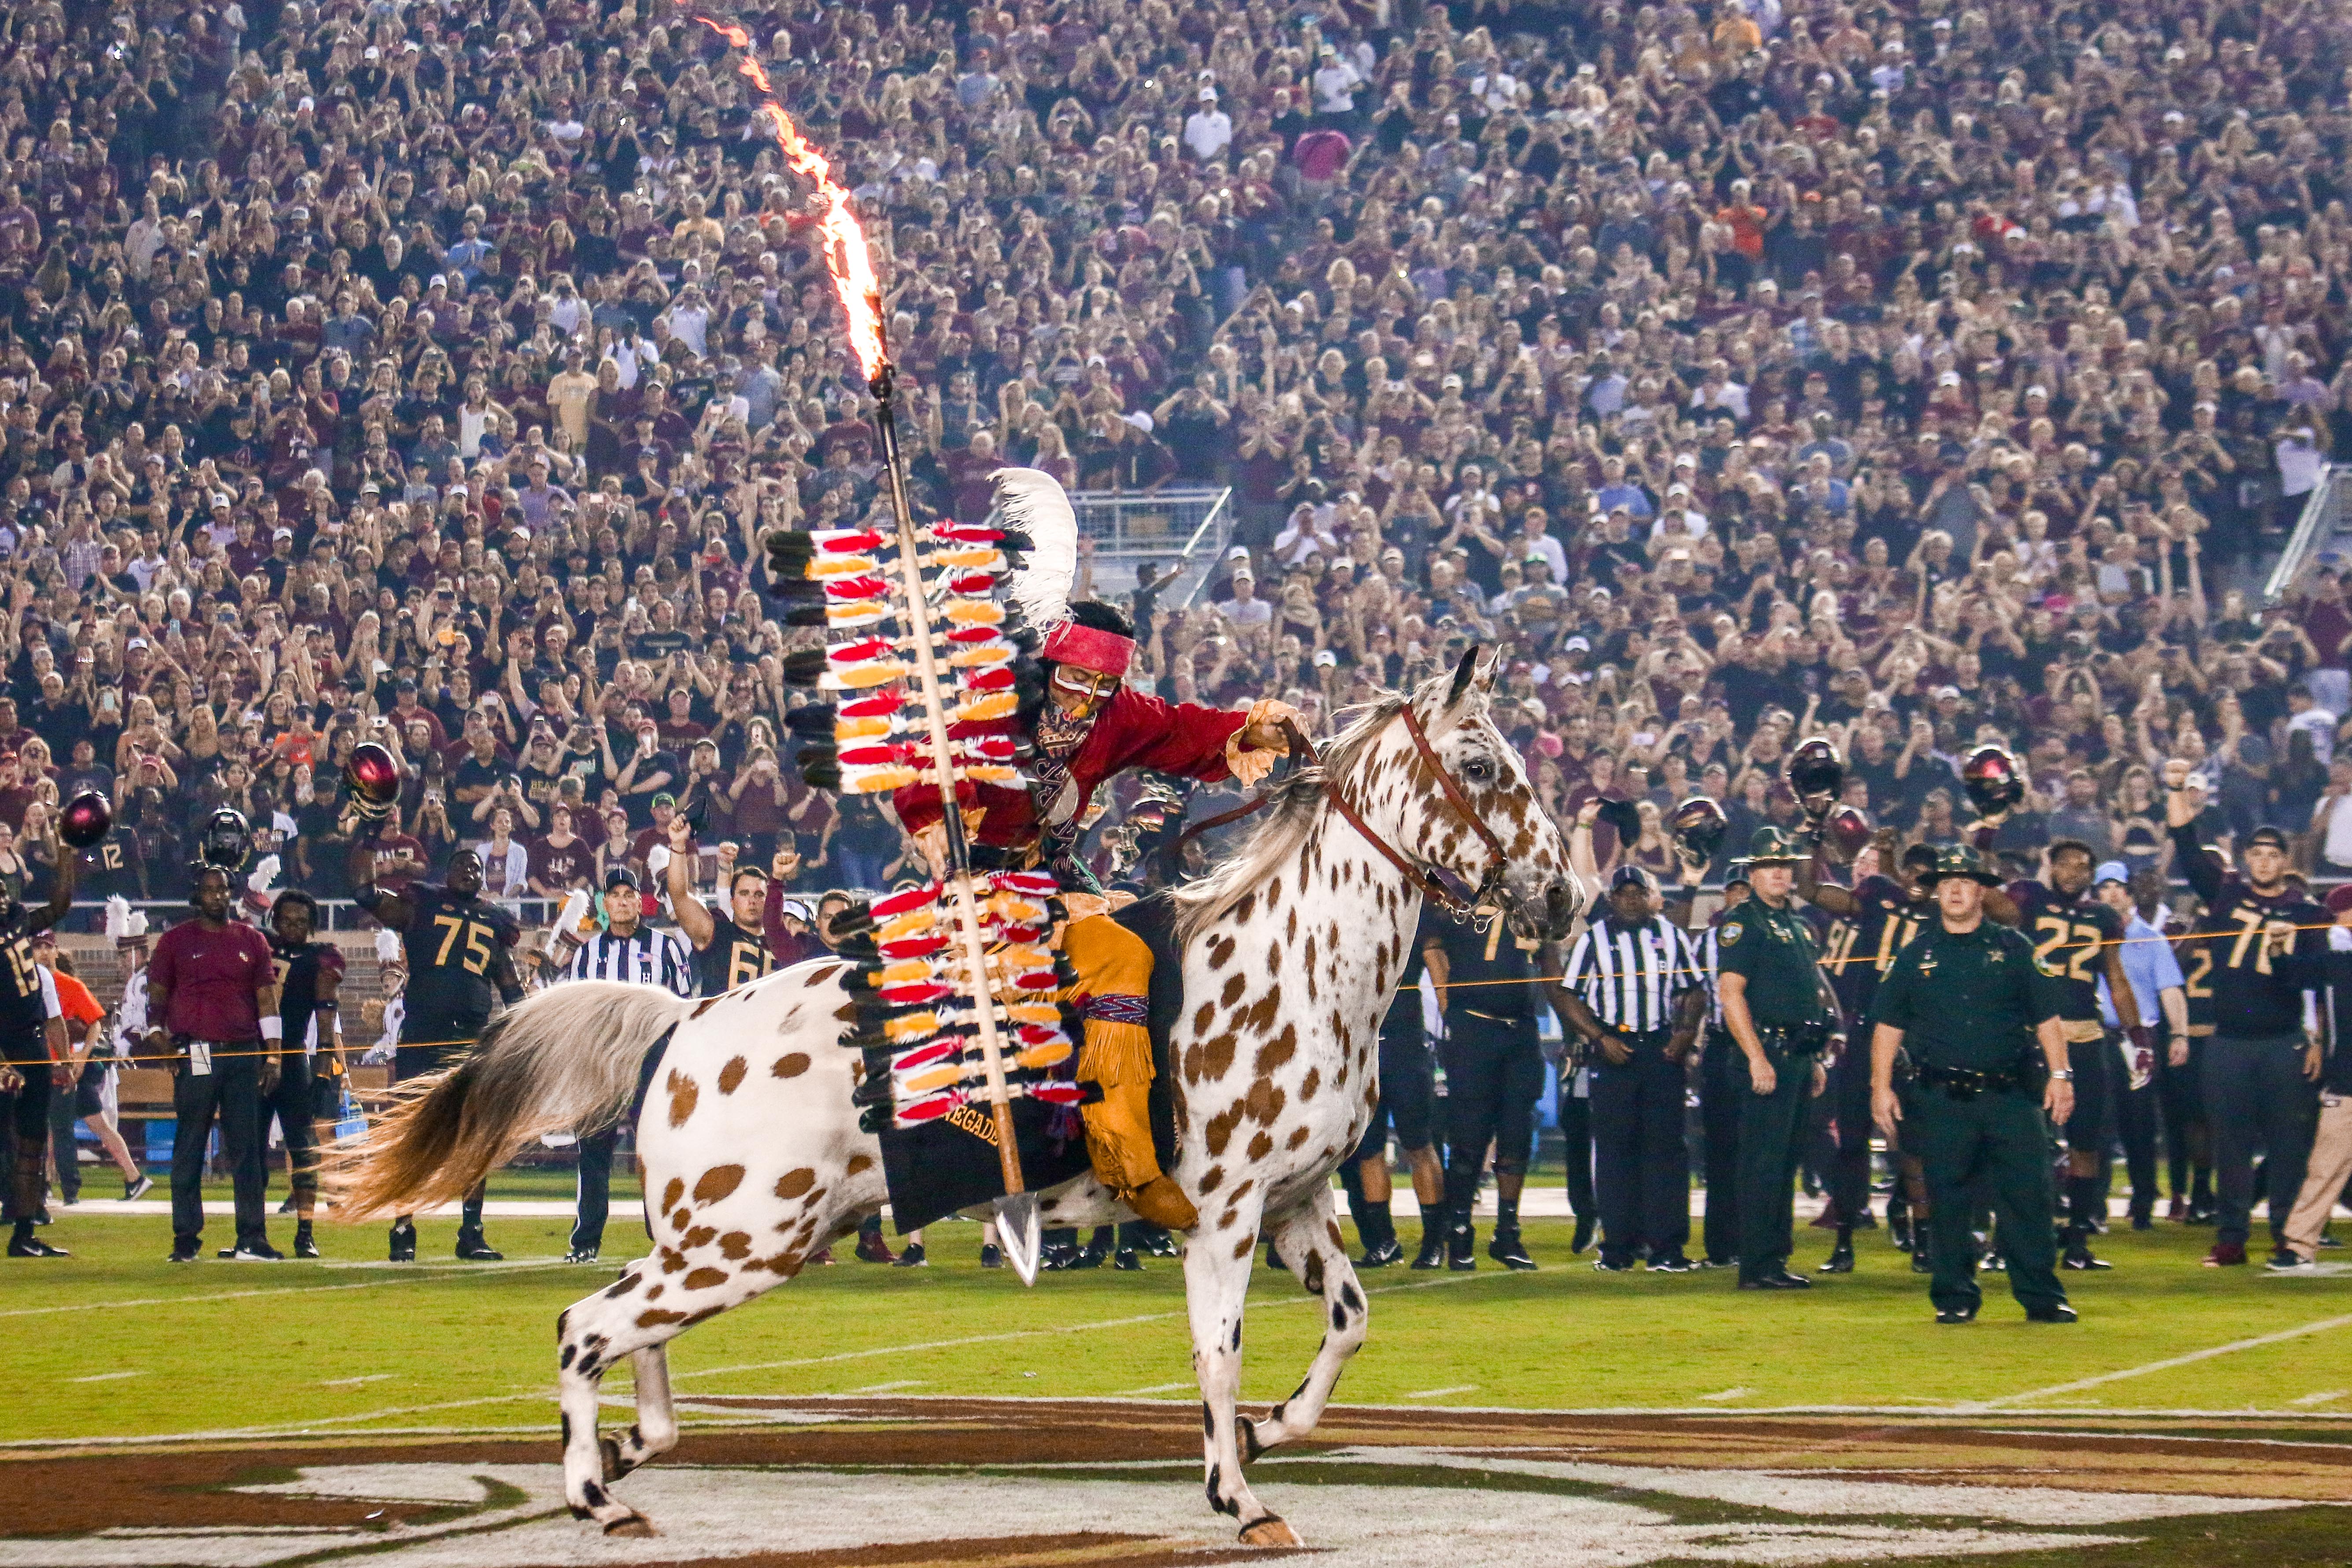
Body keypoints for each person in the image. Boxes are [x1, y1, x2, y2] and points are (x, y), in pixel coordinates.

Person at [888, 586, 1294, 1232]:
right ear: (1047, 664)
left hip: (1056, 880)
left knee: (1132, 954)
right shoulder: (992, 704)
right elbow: (922, 760)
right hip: (974, 882)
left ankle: (1130, 1161)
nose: (1087, 697)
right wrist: (931, 819)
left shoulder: (1116, 715)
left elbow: (1181, 726)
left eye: (1103, 685)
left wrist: (1249, 728)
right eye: (1077, 678)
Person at [1868, 845, 2077, 1325]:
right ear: (1938, 890)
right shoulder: (1916, 953)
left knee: (2029, 1195)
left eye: (1966, 881)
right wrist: (1881, 1087)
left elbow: (2048, 1016)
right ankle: (1955, 1294)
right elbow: (1887, 1024)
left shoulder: (2014, 947)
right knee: (1948, 1199)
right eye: (1948, 881)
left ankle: (2041, 1294)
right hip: (1943, 1097)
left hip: (2011, 1093)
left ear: (1981, 890)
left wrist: (2061, 1075)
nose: (1957, 889)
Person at [2164, 763, 2328, 1268]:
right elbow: (2188, 850)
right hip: (2229, 1040)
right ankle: (2231, 1234)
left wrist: (2318, 1038)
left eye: (2272, 853)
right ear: (2246, 859)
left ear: (2285, 860)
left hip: (2282, 1040)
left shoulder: (2306, 912)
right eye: (2255, 853)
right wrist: (2174, 790)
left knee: (2287, 1144)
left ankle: (2286, 1231)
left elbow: (2316, 982)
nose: (2263, 860)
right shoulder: (2228, 893)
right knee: (2229, 1143)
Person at [355, 841, 524, 1263]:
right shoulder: (421, 905)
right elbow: (363, 892)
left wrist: (525, 1027)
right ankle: (403, 1227)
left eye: (477, 867)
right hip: (423, 1033)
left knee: (477, 1135)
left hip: (471, 1038)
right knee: (411, 1131)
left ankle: (472, 1231)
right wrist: (368, 838)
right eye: (462, 865)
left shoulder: (492, 921)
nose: (470, 871)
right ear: (446, 874)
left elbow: (510, 985)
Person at [1798, 830, 1956, 1271]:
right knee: (1852, 1141)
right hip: (1867, 1031)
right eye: (1914, 872)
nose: (1919, 882)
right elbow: (1812, 891)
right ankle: (1845, 1239)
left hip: (1917, 1037)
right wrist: (1815, 834)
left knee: (1915, 1144)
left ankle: (1922, 1238)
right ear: (1903, 872)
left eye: (1929, 876)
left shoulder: (1943, 915)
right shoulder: (1879, 895)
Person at [1997, 839, 2148, 1271]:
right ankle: (2011, 1238)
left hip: (2085, 1037)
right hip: (2033, 1040)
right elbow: (1992, 904)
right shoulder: (2028, 899)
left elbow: (2116, 978)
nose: (2073, 872)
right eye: (2064, 863)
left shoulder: (2103, 916)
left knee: (2087, 1142)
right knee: (2021, 1142)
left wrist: (2138, 1035)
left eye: (2082, 866)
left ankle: (2078, 1240)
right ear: (2050, 865)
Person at [1556, 864, 1704, 1272]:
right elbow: (1568, 996)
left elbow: (1693, 988)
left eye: (1640, 892)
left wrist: (1686, 1031)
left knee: (1667, 1151)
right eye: (1624, 893)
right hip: (1614, 1049)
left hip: (1659, 1048)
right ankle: (1617, 1247)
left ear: (1650, 896)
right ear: (1612, 898)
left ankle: (1667, 1247)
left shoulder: (1670, 936)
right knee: (1615, 1152)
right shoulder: (1594, 940)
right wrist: (1598, 1038)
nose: (1633, 899)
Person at [1424, 832, 1558, 1272]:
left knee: (1516, 1135)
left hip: (1520, 1033)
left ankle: (1507, 1231)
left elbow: (1550, 959)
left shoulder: (1534, 906)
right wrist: (1450, 1006)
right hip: (1474, 1031)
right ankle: (1460, 1230)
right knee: (1469, 1135)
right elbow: (1432, 947)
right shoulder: (1458, 902)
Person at [1716, 827, 1843, 1291]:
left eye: (1784, 866)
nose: (1778, 873)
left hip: (1795, 1054)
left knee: (1786, 1159)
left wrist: (1811, 1059)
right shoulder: (1743, 922)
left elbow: (1805, 995)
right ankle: (1757, 1263)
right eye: (1769, 865)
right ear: (1753, 873)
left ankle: (1776, 1255)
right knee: (1763, 1162)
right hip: (1766, 1053)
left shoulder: (1797, 925)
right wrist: (1756, 1057)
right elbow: (1731, 995)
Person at [547, 866, 693, 1264]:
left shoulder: (667, 947)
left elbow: (682, 1009)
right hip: (601, 1062)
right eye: (616, 895)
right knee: (593, 1152)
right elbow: (575, 1013)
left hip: (651, 1059)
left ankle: (663, 1238)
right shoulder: (588, 953)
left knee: (658, 1151)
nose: (624, 901)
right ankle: (585, 1241)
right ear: (605, 904)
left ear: (640, 901)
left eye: (630, 894)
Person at [145, 864, 283, 1263]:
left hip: (242, 1050)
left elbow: (266, 1000)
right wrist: (158, 1038)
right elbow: (157, 999)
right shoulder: (175, 941)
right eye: (209, 890)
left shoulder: (252, 940)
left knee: (247, 1146)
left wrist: (273, 1053)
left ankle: (252, 1237)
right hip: (199, 1049)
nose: (218, 896)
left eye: (223, 889)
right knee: (191, 1141)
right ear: (197, 895)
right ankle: (186, 1237)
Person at [1339, 905, 1443, 1269]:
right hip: (1365, 1048)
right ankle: (1384, 1242)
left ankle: (1433, 1243)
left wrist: (1453, 1031)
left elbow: (1440, 976)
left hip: (1405, 1046)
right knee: (1368, 1150)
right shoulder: (1349, 926)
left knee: (1419, 1144)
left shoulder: (1414, 919)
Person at [2093, 863, 2189, 1232]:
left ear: (2129, 892)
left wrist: (2179, 1034)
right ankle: (2093, 1205)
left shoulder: (2150, 938)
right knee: (2097, 1124)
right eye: (2105, 888)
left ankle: (2144, 1201)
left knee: (2140, 1125)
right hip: (2097, 1036)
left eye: (2118, 886)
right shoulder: (2088, 935)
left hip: (2139, 1041)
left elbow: (2169, 989)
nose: (2112, 894)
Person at [0, 836, 74, 1255]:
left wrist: (66, 852)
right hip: (4, 1044)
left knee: (31, 1140)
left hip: (29, 1042)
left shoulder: (16, 920)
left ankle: (24, 1232)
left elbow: (60, 906)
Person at [1675, 857, 1750, 1270]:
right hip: (1722, 1047)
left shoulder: (1773, 936)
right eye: (1734, 891)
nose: (1740, 897)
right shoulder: (1709, 941)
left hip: (1763, 1043)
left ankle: (1758, 1243)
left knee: (1759, 1149)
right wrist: (1690, 1040)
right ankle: (1722, 1245)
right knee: (1721, 1149)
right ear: (1726, 896)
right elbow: (1694, 994)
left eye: (1746, 890)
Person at [264, 890, 345, 1259]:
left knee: (304, 1148)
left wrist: (326, 1061)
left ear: (311, 926)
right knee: (250, 1147)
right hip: (257, 1056)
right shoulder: (259, 947)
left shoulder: (319, 958)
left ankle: (306, 1231)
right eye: (287, 920)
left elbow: (326, 1013)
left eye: (301, 922)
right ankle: (252, 1233)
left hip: (295, 1056)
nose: (294, 928)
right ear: (275, 921)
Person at [2276, 882, 2352, 1272]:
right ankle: (2300, 1244)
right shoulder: (2335, 961)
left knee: (2325, 1169)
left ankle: (2300, 1244)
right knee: (2325, 1169)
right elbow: (2287, 970)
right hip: (2347, 1084)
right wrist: (2280, 945)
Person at [34, 933, 117, 1209]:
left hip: (61, 1067)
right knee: (34, 1130)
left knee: (62, 1129)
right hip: (35, 1067)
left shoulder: (71, 985)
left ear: (57, 951)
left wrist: (82, 1055)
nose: (44, 953)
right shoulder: (25, 985)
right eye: (38, 948)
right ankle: (38, 1186)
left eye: (49, 947)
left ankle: (70, 1189)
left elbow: (95, 1022)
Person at [664, 816, 773, 995]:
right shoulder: (718, 933)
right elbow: (679, 897)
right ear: (733, 901)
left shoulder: (782, 942)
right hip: (720, 1023)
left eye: (759, 894)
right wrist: (678, 846)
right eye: (744, 894)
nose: (752, 900)